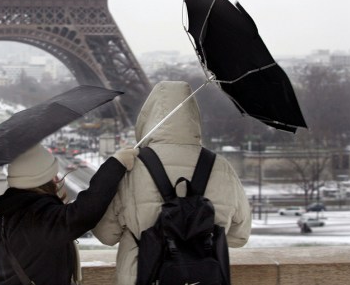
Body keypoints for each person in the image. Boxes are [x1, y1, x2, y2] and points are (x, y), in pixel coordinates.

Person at [93, 81, 252, 284]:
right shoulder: (221, 167)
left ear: (147, 118)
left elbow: (106, 235)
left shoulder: (131, 168)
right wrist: (195, 241)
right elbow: (240, 236)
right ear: (194, 118)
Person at [0, 143, 138, 285]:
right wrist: (115, 164)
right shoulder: (39, 216)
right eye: (52, 177)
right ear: (41, 181)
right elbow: (85, 212)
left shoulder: (5, 217)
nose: (57, 181)